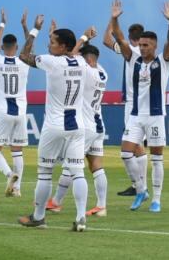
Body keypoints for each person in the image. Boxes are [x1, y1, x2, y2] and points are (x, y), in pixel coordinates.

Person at [16, 16, 95, 233]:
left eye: (52, 42)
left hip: (54, 126)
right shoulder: (79, 61)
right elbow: (75, 49)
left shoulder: (52, 62)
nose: (49, 46)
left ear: (63, 46)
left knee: (45, 173)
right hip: (77, 126)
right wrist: (84, 36)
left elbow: (24, 56)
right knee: (77, 172)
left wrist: (35, 30)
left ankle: (39, 216)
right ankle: (80, 218)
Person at [109, 0, 169, 213]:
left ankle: (156, 199)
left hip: (156, 116)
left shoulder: (163, 61)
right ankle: (141, 190)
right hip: (136, 116)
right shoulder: (133, 60)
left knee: (157, 158)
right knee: (125, 153)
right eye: (140, 45)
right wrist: (114, 19)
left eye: (146, 45)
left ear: (154, 46)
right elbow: (119, 38)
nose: (142, 48)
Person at [48, 41, 110, 218]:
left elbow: (70, 58)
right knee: (96, 166)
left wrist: (82, 39)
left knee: (70, 165)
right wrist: (87, 43)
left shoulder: (86, 71)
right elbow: (84, 56)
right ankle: (101, 206)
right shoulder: (102, 72)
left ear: (86, 59)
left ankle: (56, 202)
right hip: (98, 125)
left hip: (86, 126)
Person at [0, 9, 31, 198]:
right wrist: (25, 26)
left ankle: (8, 174)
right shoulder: (24, 61)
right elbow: (29, 46)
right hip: (20, 112)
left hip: (2, 111)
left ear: (4, 47)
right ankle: (17, 188)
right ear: (17, 46)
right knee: (17, 151)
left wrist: (2, 23)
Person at [103, 9, 146, 197]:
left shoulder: (131, 51)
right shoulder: (145, 52)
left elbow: (106, 39)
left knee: (132, 146)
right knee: (136, 145)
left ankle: (140, 187)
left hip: (133, 103)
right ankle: (138, 186)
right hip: (141, 103)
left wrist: (112, 20)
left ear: (129, 37)